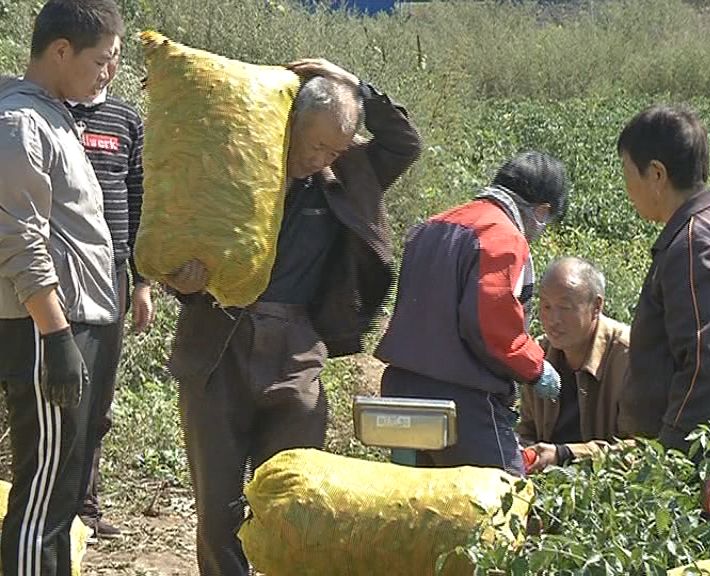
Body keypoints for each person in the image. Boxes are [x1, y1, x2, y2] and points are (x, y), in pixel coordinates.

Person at [164, 59, 421, 576]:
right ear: (290, 121)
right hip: (219, 343)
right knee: (218, 508)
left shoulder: (345, 177)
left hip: (298, 349)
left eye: (334, 148)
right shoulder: (236, 167)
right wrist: (180, 279)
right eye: (315, 144)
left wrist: (352, 82)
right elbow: (178, 237)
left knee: (292, 499)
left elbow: (404, 143)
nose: (321, 157)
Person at [0, 0, 123, 573]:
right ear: (60, 51)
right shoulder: (21, 122)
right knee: (42, 496)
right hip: (48, 329)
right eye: (101, 61)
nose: (108, 74)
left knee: (66, 492)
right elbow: (19, 240)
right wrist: (55, 338)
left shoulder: (55, 116)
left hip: (77, 324)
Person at [374, 152, 569, 476]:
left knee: (417, 502)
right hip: (463, 402)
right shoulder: (502, 237)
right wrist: (536, 369)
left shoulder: (429, 227)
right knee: (503, 500)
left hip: (403, 391)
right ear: (542, 211)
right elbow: (493, 328)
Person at [616, 105, 710, 453]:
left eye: (627, 172)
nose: (626, 188)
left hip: (702, 458)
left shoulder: (694, 244)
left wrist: (671, 456)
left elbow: (703, 362)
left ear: (657, 174)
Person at [66, 48, 153, 538]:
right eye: (100, 56)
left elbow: (138, 195)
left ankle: (86, 508)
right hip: (57, 275)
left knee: (97, 398)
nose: (108, 68)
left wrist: (142, 283)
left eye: (115, 58)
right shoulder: (49, 112)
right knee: (52, 393)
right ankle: (43, 503)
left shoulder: (124, 119)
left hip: (113, 274)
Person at [517, 256, 630, 473]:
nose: (553, 319)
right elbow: (527, 430)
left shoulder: (628, 356)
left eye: (565, 307)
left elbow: (642, 448)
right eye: (546, 306)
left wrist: (565, 454)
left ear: (596, 306)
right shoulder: (540, 355)